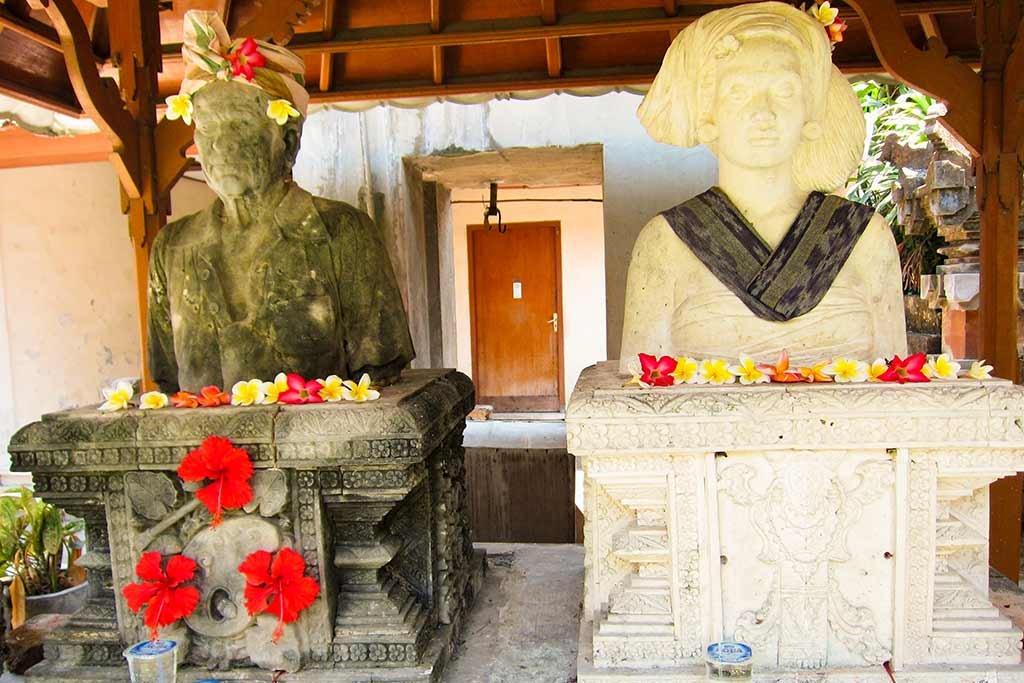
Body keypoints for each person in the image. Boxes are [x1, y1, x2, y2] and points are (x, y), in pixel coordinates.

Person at [619, 2, 906, 373]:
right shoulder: (665, 242)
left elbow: (898, 383)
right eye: (739, 91)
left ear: (811, 114)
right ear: (709, 116)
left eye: (785, 91)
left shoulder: (865, 236)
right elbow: (638, 397)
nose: (763, 113)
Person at [148, 12, 414, 393]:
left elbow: (381, 374)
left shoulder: (343, 234)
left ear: (287, 142)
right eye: (206, 127)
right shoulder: (171, 248)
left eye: (239, 124)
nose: (220, 144)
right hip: (203, 453)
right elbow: (168, 381)